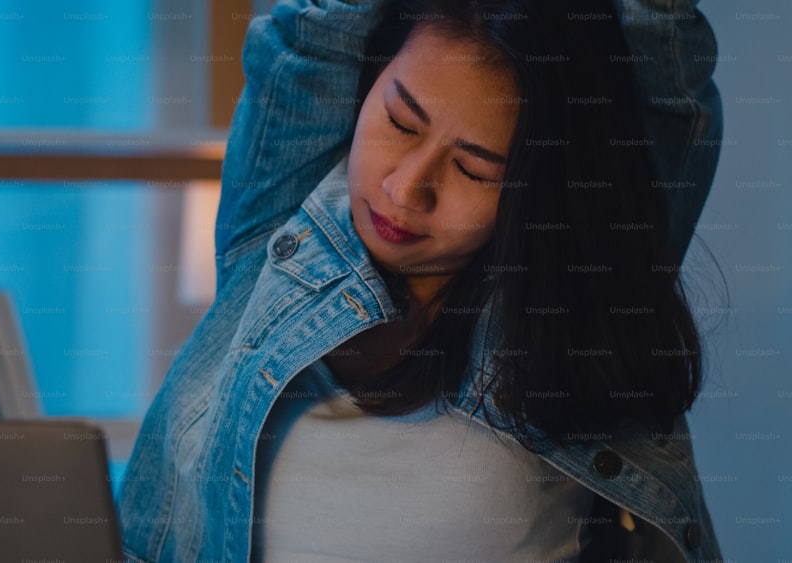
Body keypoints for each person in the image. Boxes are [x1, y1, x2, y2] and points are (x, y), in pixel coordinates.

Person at [117, 0, 724, 561]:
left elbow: (665, 56)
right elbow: (316, 31)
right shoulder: (283, 225)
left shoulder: (589, 292)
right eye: (401, 123)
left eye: (474, 169)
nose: (405, 190)